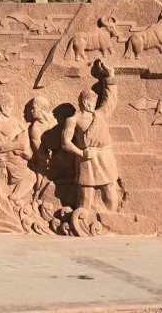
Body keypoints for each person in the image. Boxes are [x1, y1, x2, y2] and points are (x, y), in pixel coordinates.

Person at [61, 59, 119, 211]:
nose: (92, 104)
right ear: (83, 102)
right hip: (86, 159)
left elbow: (110, 100)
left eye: (94, 101)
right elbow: (65, 143)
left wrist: (110, 76)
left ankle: (112, 217)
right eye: (89, 101)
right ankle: (83, 218)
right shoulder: (73, 119)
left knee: (109, 188)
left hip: (105, 155)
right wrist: (81, 153)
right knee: (86, 192)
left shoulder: (100, 114)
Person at [0, 94, 36, 205]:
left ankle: (17, 200)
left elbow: (23, 134)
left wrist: (24, 149)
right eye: (10, 106)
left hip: (20, 157)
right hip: (8, 160)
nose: (12, 109)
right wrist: (18, 145)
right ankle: (13, 198)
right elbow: (0, 146)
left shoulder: (14, 121)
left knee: (30, 177)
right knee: (30, 177)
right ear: (2, 107)